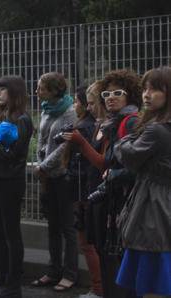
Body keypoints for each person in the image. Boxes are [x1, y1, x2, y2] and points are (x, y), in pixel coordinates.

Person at [64, 69, 141, 298]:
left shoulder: (130, 122)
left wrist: (81, 143)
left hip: (123, 200)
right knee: (106, 252)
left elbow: (124, 166)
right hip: (109, 197)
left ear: (130, 95)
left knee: (116, 258)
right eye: (106, 93)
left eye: (117, 92)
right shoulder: (112, 124)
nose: (110, 97)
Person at [114, 66, 171, 298]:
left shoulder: (156, 131)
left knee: (151, 287)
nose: (147, 95)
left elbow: (126, 153)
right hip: (161, 209)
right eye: (145, 89)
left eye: (155, 89)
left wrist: (126, 140)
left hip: (153, 213)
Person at [0, 76, 34, 297]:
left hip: (11, 181)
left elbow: (12, 155)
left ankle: (13, 286)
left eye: (3, 89)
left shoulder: (22, 119)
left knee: (11, 233)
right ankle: (1, 279)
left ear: (14, 93)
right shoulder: (4, 116)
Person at [32, 72, 79, 291]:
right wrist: (38, 163)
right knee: (52, 225)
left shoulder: (69, 112)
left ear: (53, 90)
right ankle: (53, 270)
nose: (37, 91)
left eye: (41, 88)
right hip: (47, 176)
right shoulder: (46, 109)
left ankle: (70, 274)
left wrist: (44, 165)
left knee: (67, 227)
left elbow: (64, 145)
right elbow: (42, 140)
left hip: (61, 175)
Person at [62, 86, 103, 298]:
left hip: (87, 190)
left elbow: (97, 162)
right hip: (87, 189)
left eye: (88, 102)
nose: (81, 106)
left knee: (88, 243)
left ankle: (98, 289)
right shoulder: (92, 126)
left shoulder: (89, 128)